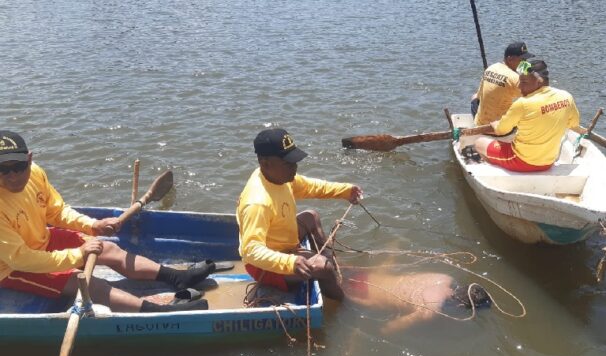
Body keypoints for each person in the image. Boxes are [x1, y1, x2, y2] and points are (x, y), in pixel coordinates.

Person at [0, 130, 214, 312]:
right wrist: (78, 256)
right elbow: (21, 259)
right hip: (12, 267)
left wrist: (93, 225)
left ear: (29, 159)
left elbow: (57, 212)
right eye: (3, 169)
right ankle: (159, 311)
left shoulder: (36, 173)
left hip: (41, 240)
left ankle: (178, 277)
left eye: (18, 167)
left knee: (108, 249)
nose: (11, 176)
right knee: (90, 284)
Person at [236, 128, 363, 301]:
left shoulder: (278, 177)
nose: (295, 167)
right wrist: (290, 262)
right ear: (265, 163)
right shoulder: (258, 202)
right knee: (323, 267)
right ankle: (345, 302)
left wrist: (345, 191)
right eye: (288, 163)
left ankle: (333, 265)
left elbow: (311, 186)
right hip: (264, 267)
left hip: (283, 241)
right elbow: (251, 251)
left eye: (295, 161)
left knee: (311, 216)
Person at [462, 59, 583, 172]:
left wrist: (493, 124)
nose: (519, 87)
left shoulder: (522, 104)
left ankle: (496, 167)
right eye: (519, 82)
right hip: (549, 162)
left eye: (524, 82)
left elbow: (500, 130)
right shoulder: (566, 96)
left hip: (521, 161)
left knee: (479, 142)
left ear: (539, 81)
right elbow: (573, 123)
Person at [341, 267, 491, 334]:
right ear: (460, 305)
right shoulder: (430, 310)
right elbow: (390, 328)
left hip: (365, 276)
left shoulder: (444, 278)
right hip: (363, 296)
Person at [471, 41, 534, 126]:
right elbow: (534, 98)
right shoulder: (515, 78)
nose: (525, 63)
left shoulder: (491, 68)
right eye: (522, 60)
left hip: (480, 124)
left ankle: (481, 121)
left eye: (526, 60)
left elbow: (478, 96)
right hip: (500, 128)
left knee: (474, 97)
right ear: (510, 59)